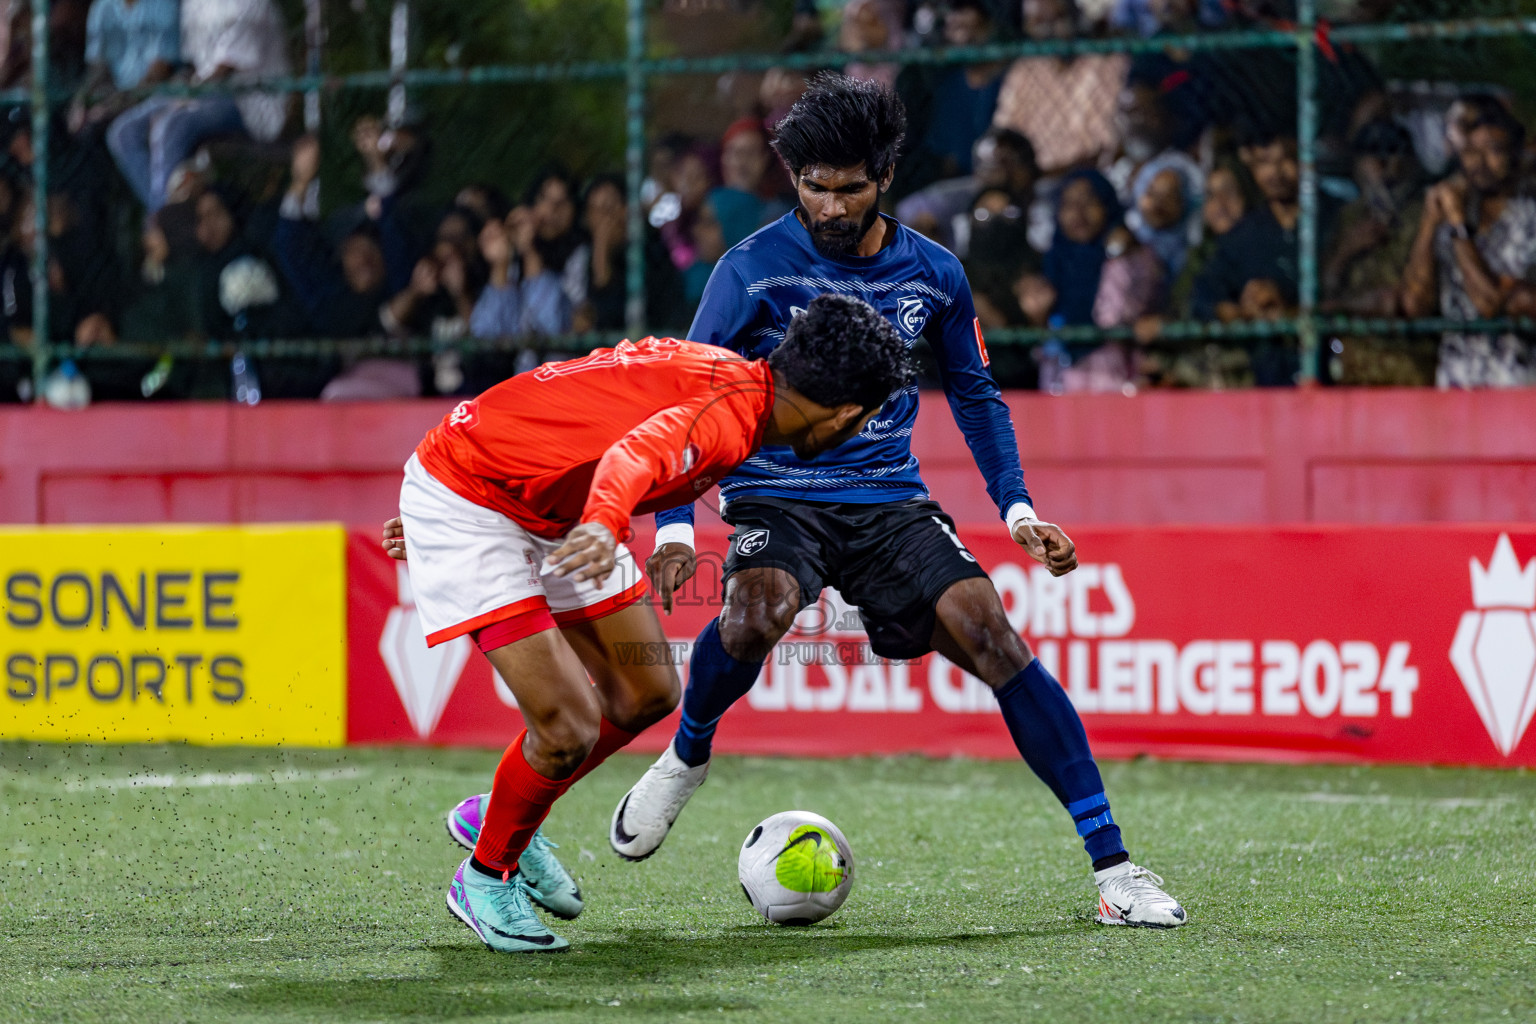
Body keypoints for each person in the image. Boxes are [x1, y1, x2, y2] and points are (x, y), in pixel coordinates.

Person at [440, 73, 1187, 930]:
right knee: (757, 612)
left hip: (889, 503)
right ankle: (688, 755)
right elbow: (678, 403)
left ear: (886, 178)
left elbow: (977, 395)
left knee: (994, 636)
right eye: (813, 185)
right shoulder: (748, 268)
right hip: (775, 493)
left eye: (851, 186)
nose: (830, 205)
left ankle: (1116, 869)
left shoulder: (936, 274)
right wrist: (676, 525)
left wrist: (1018, 510)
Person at [386, 294, 915, 953]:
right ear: (842, 413)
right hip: (484, 501)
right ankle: (486, 876)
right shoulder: (728, 419)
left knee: (648, 691)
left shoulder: (730, 378)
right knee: (567, 727)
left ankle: (495, 817)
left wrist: (512, 462)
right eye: (864, 421)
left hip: (539, 495)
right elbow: (637, 453)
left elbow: (587, 393)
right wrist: (600, 522)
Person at [106, 0, 290, 212]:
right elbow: (196, 64)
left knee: (170, 125)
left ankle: (165, 229)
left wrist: (187, 95)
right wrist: (180, 87)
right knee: (123, 133)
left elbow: (225, 69)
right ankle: (165, 218)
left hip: (253, 103)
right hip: (205, 95)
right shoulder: (194, 3)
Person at [1401, 105, 1536, 388]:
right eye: (1471, 152)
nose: (1480, 162)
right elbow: (1414, 305)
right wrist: (1429, 222)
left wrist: (1458, 226)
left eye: (1494, 150)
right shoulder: (1456, 211)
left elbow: (1489, 304)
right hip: (1455, 386)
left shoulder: (1529, 220)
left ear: (1516, 155)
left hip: (1514, 388)